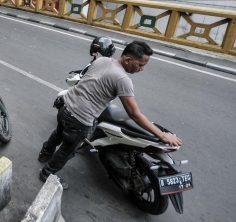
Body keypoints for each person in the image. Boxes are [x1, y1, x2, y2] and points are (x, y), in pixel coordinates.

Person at [37, 40, 182, 189]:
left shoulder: (102, 60)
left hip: (66, 107)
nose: (142, 69)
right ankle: (47, 173)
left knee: (59, 133)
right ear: (128, 60)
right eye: (140, 65)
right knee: (67, 150)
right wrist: (162, 135)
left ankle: (45, 152)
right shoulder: (123, 80)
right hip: (80, 119)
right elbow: (134, 114)